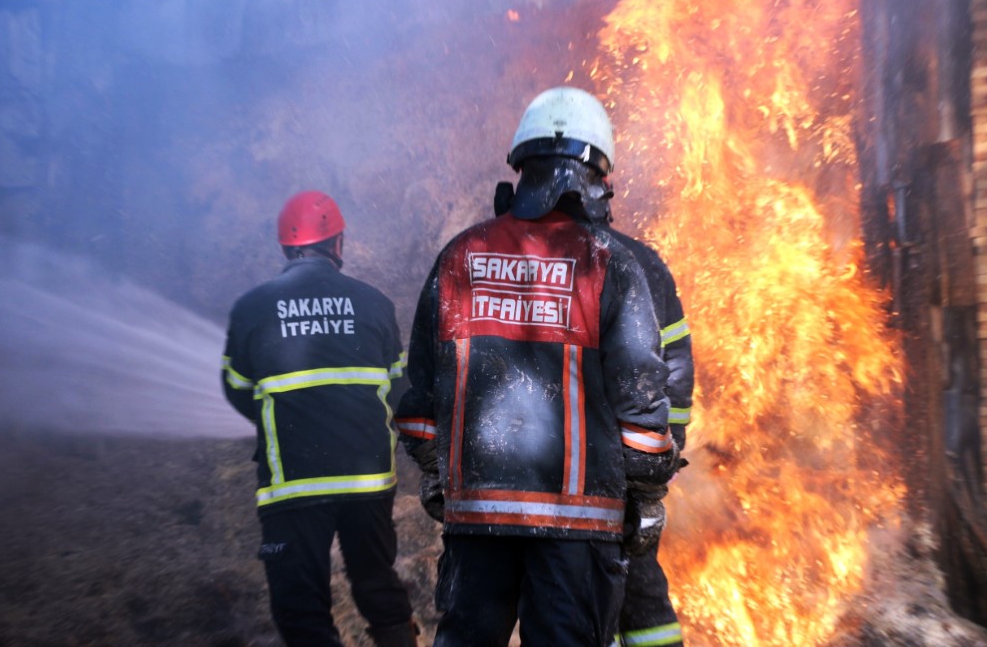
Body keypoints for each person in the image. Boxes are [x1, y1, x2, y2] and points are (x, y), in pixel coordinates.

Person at [395, 87, 679, 646]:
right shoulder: (608, 264)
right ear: (597, 177)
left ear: (521, 168)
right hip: (578, 528)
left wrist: (437, 475)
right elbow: (642, 407)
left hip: (477, 521)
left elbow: (419, 403)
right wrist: (646, 500)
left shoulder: (459, 257)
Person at [222, 190, 416, 647]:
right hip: (367, 482)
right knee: (378, 588)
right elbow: (401, 389)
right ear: (338, 243)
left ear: (285, 247)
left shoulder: (252, 307)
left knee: (302, 611)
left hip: (294, 483)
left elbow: (236, 389)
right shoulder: (374, 303)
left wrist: (287, 420)